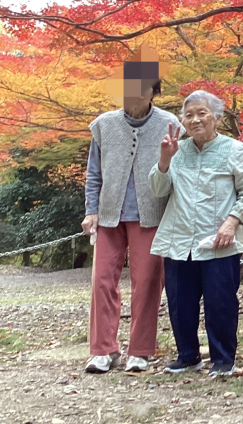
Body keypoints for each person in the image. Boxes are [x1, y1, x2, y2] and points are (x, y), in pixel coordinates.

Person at [81, 48, 180, 374]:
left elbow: (178, 170)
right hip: (109, 214)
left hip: (151, 213)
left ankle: (139, 350)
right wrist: (91, 210)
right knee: (102, 281)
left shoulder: (170, 123)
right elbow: (94, 172)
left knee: (148, 281)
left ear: (154, 89)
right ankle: (103, 350)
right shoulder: (103, 125)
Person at [150, 90, 243, 376]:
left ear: (217, 118)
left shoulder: (234, 149)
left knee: (220, 301)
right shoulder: (177, 149)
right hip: (179, 239)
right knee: (179, 302)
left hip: (219, 240)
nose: (195, 119)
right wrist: (164, 160)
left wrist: (232, 222)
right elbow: (158, 191)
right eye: (189, 115)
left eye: (202, 113)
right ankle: (187, 355)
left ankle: (223, 359)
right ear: (183, 120)